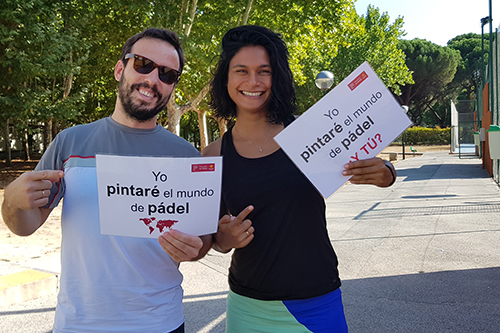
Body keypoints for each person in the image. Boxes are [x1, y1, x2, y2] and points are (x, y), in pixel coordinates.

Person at [2, 28, 212, 333]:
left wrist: (197, 249)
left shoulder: (188, 158)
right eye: (142, 63)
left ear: (172, 88)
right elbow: (25, 226)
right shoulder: (69, 143)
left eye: (167, 74)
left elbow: (202, 241)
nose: (153, 79)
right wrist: (11, 201)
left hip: (160, 324)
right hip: (78, 325)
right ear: (119, 68)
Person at [202, 25, 397, 332]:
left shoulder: (312, 134)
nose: (252, 81)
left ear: (276, 77)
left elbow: (372, 164)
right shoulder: (212, 155)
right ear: (226, 78)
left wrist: (385, 173)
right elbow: (215, 238)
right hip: (248, 307)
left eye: (263, 71)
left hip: (316, 302)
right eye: (241, 70)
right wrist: (225, 238)